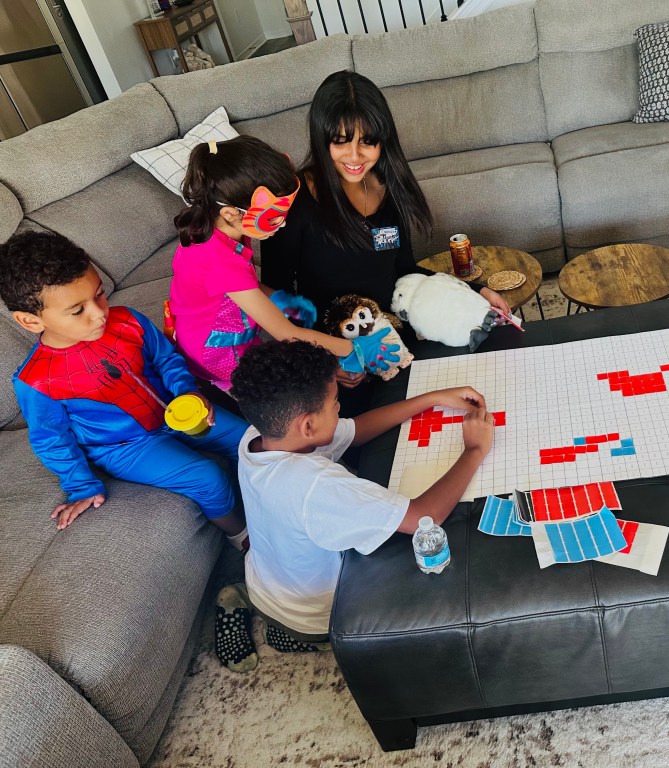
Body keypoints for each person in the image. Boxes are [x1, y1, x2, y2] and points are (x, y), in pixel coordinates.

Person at [213, 339, 493, 671]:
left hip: (269, 579)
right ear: (307, 425)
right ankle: (293, 636)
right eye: (335, 403)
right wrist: (474, 450)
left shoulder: (259, 436)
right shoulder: (314, 486)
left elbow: (356, 430)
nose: (339, 408)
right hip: (318, 613)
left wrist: (431, 399)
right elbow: (424, 516)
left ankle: (265, 614)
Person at [260, 70, 510, 396]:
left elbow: (404, 270)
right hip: (336, 354)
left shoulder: (387, 188)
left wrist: (475, 291)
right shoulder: (295, 202)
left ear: (383, 139)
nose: (355, 156)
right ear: (322, 139)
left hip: (395, 338)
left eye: (367, 141)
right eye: (341, 141)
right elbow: (274, 297)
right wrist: (325, 360)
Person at [1, 231, 250, 549]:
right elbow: (52, 440)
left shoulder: (129, 321)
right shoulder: (35, 381)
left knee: (249, 438)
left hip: (175, 411)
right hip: (124, 447)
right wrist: (81, 485)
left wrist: (187, 392)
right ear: (31, 321)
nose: (100, 312)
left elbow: (165, 358)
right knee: (208, 477)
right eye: (78, 310)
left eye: (100, 294)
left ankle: (270, 499)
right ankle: (241, 537)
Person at [169, 135, 398, 402]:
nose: (284, 224)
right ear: (232, 213)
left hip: (231, 333)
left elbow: (241, 288)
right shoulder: (220, 261)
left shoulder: (218, 228)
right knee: (283, 409)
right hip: (217, 357)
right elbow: (286, 334)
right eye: (273, 218)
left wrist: (279, 299)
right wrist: (354, 349)